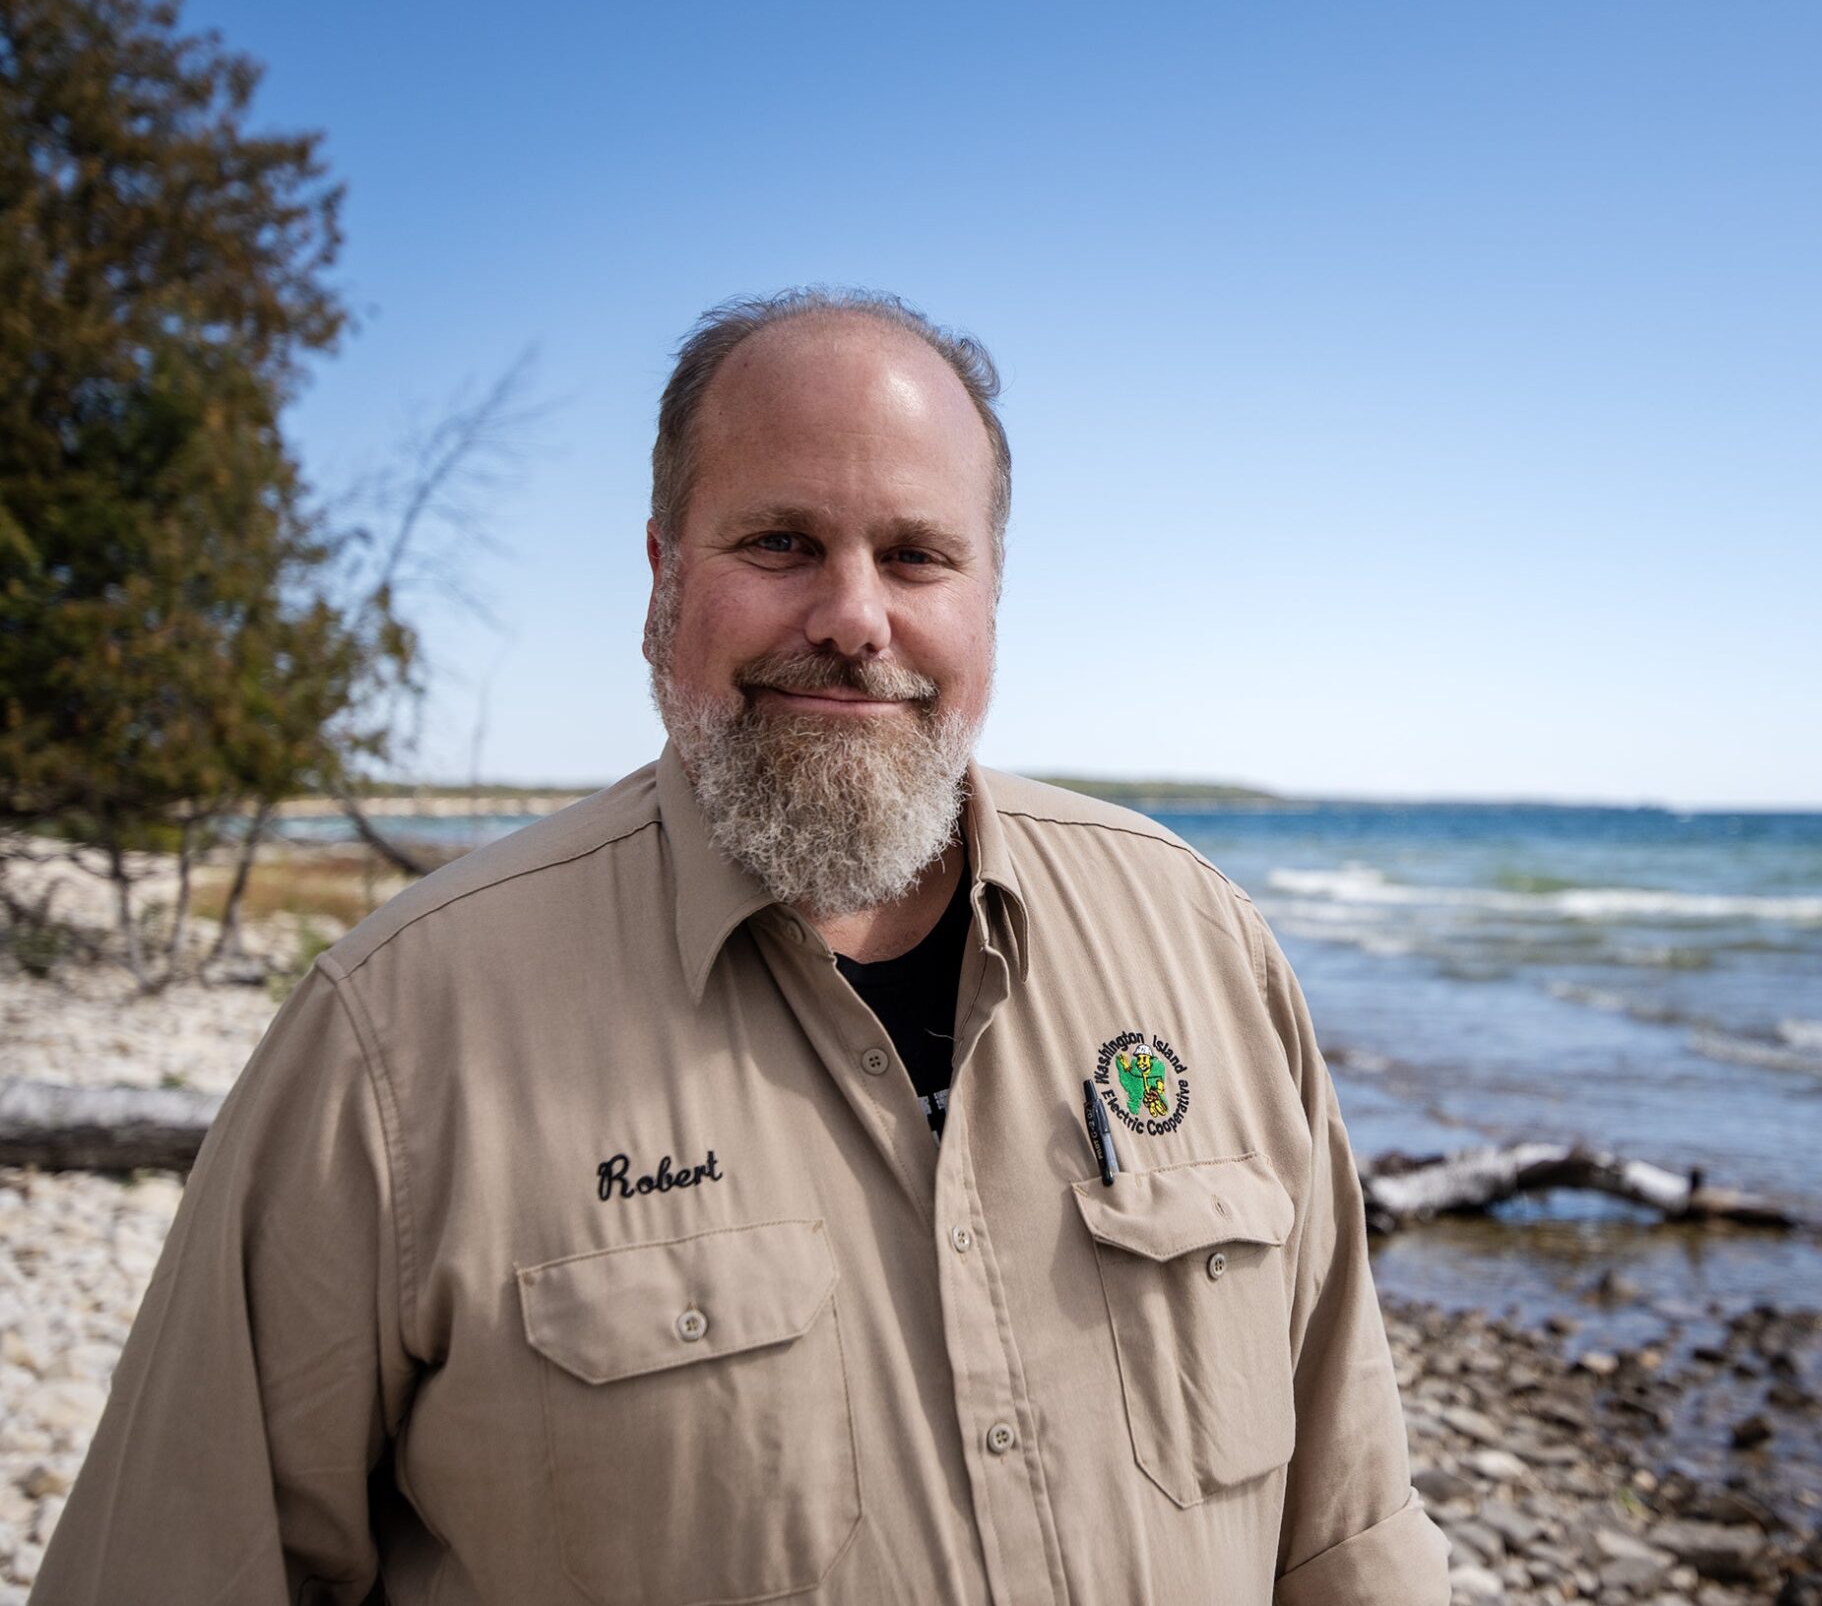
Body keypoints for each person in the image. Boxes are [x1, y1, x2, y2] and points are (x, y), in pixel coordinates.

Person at [33, 289, 1451, 1604]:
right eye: (780, 544)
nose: (852, 617)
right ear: (662, 579)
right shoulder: (396, 1044)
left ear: (990, 596)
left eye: (916, 555)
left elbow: (1349, 1527)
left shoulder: (1202, 945)